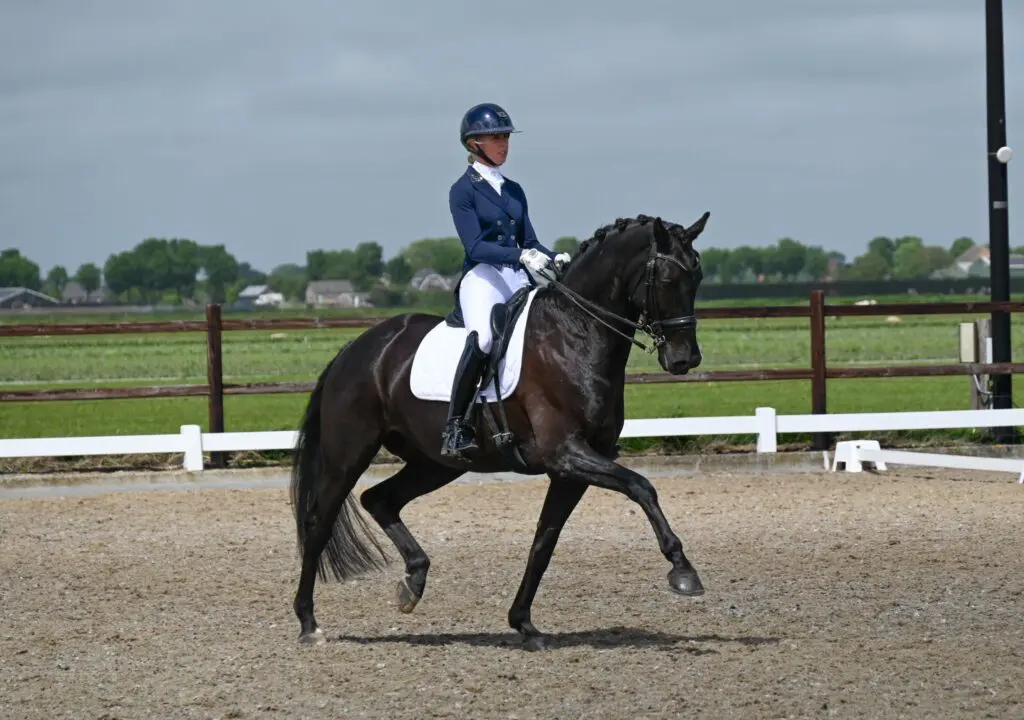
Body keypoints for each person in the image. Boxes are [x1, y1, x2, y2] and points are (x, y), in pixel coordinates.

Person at [440, 102, 571, 459]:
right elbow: (476, 246)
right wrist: (521, 256)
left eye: (505, 137)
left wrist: (551, 255)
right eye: (496, 137)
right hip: (483, 276)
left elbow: (529, 241)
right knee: (483, 338)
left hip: (516, 274)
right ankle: (456, 425)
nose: (504, 144)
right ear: (474, 144)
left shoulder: (514, 190)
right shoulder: (462, 191)